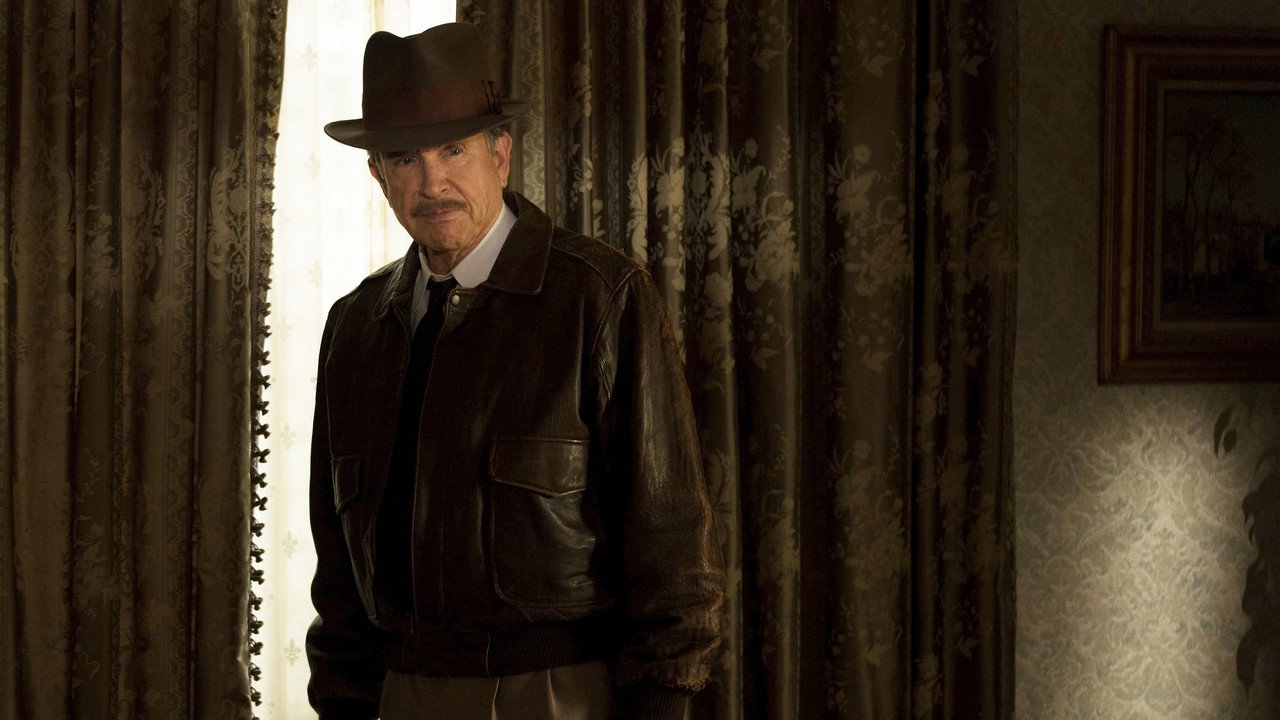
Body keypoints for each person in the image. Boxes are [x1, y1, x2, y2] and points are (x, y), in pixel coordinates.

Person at [305, 22, 724, 720]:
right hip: (398, 694)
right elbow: (339, 579)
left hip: (560, 694)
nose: (432, 182)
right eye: (405, 158)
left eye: (453, 149)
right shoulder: (353, 328)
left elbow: (672, 548)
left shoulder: (600, 298)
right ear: (378, 176)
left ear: (500, 155)